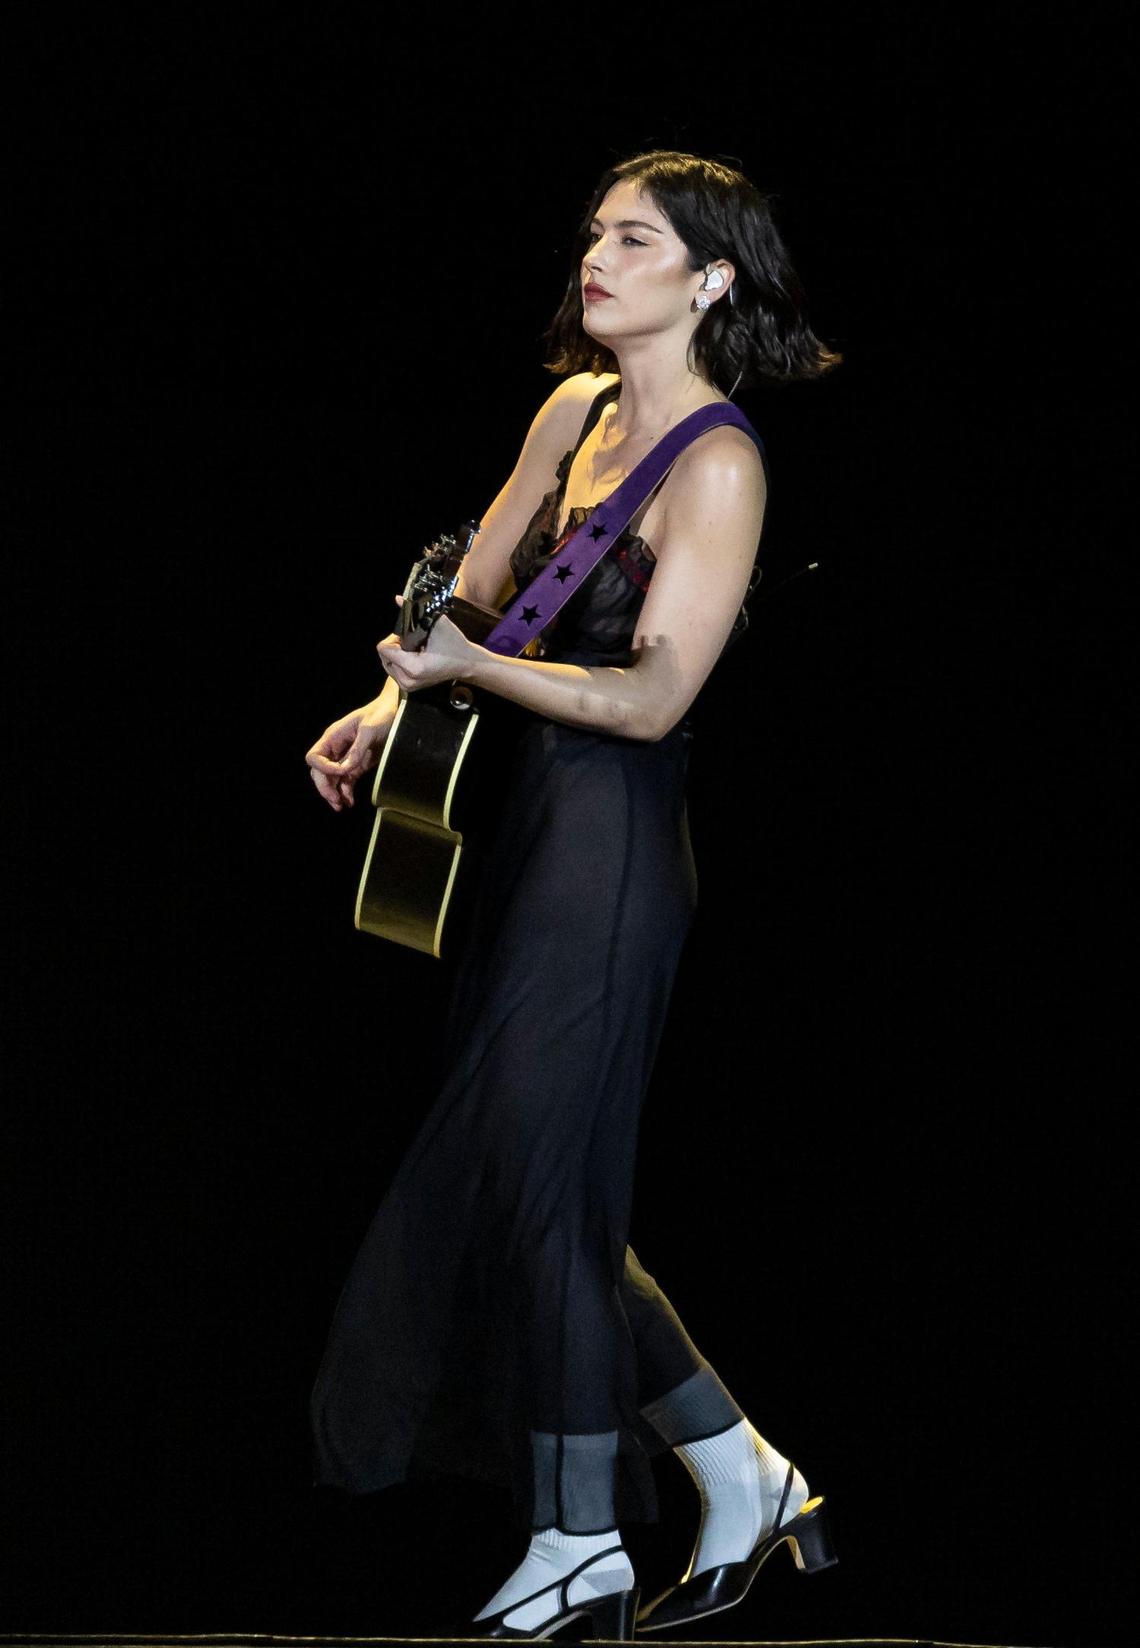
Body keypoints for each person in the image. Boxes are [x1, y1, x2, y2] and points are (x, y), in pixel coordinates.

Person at [304, 149, 843, 1641]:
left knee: (540, 1189)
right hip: (514, 838)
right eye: (595, 234)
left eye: (635, 239)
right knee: (536, 1194)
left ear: (711, 277)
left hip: (609, 858)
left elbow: (659, 694)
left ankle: (579, 1533)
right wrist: (386, 706)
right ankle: (742, 1475)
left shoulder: (721, 463)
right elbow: (473, 602)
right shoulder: (575, 411)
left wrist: (472, 673)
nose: (596, 257)